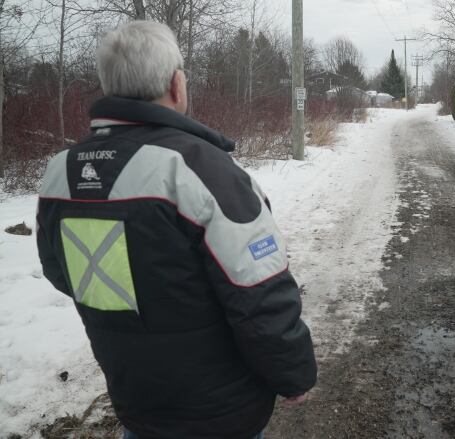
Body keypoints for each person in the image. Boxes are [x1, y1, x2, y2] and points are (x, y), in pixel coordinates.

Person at [36, 21, 317, 439]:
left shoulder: (60, 173)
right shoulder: (198, 169)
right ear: (176, 84)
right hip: (221, 414)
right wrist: (293, 373)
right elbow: (259, 291)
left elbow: (62, 273)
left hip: (136, 401)